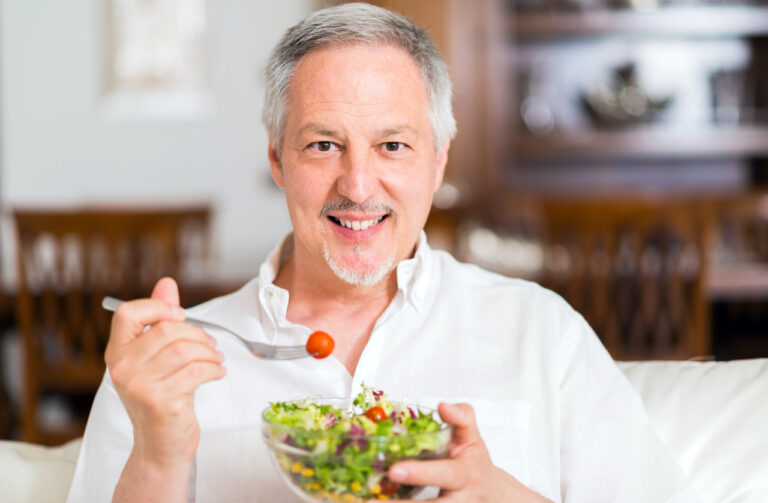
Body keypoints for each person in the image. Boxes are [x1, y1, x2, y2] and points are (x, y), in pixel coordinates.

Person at [67, 3, 701, 502]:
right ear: (277, 160)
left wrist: (499, 495)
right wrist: (157, 454)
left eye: (392, 145)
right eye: (323, 145)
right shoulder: (164, 369)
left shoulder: (542, 332)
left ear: (438, 160)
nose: (358, 185)